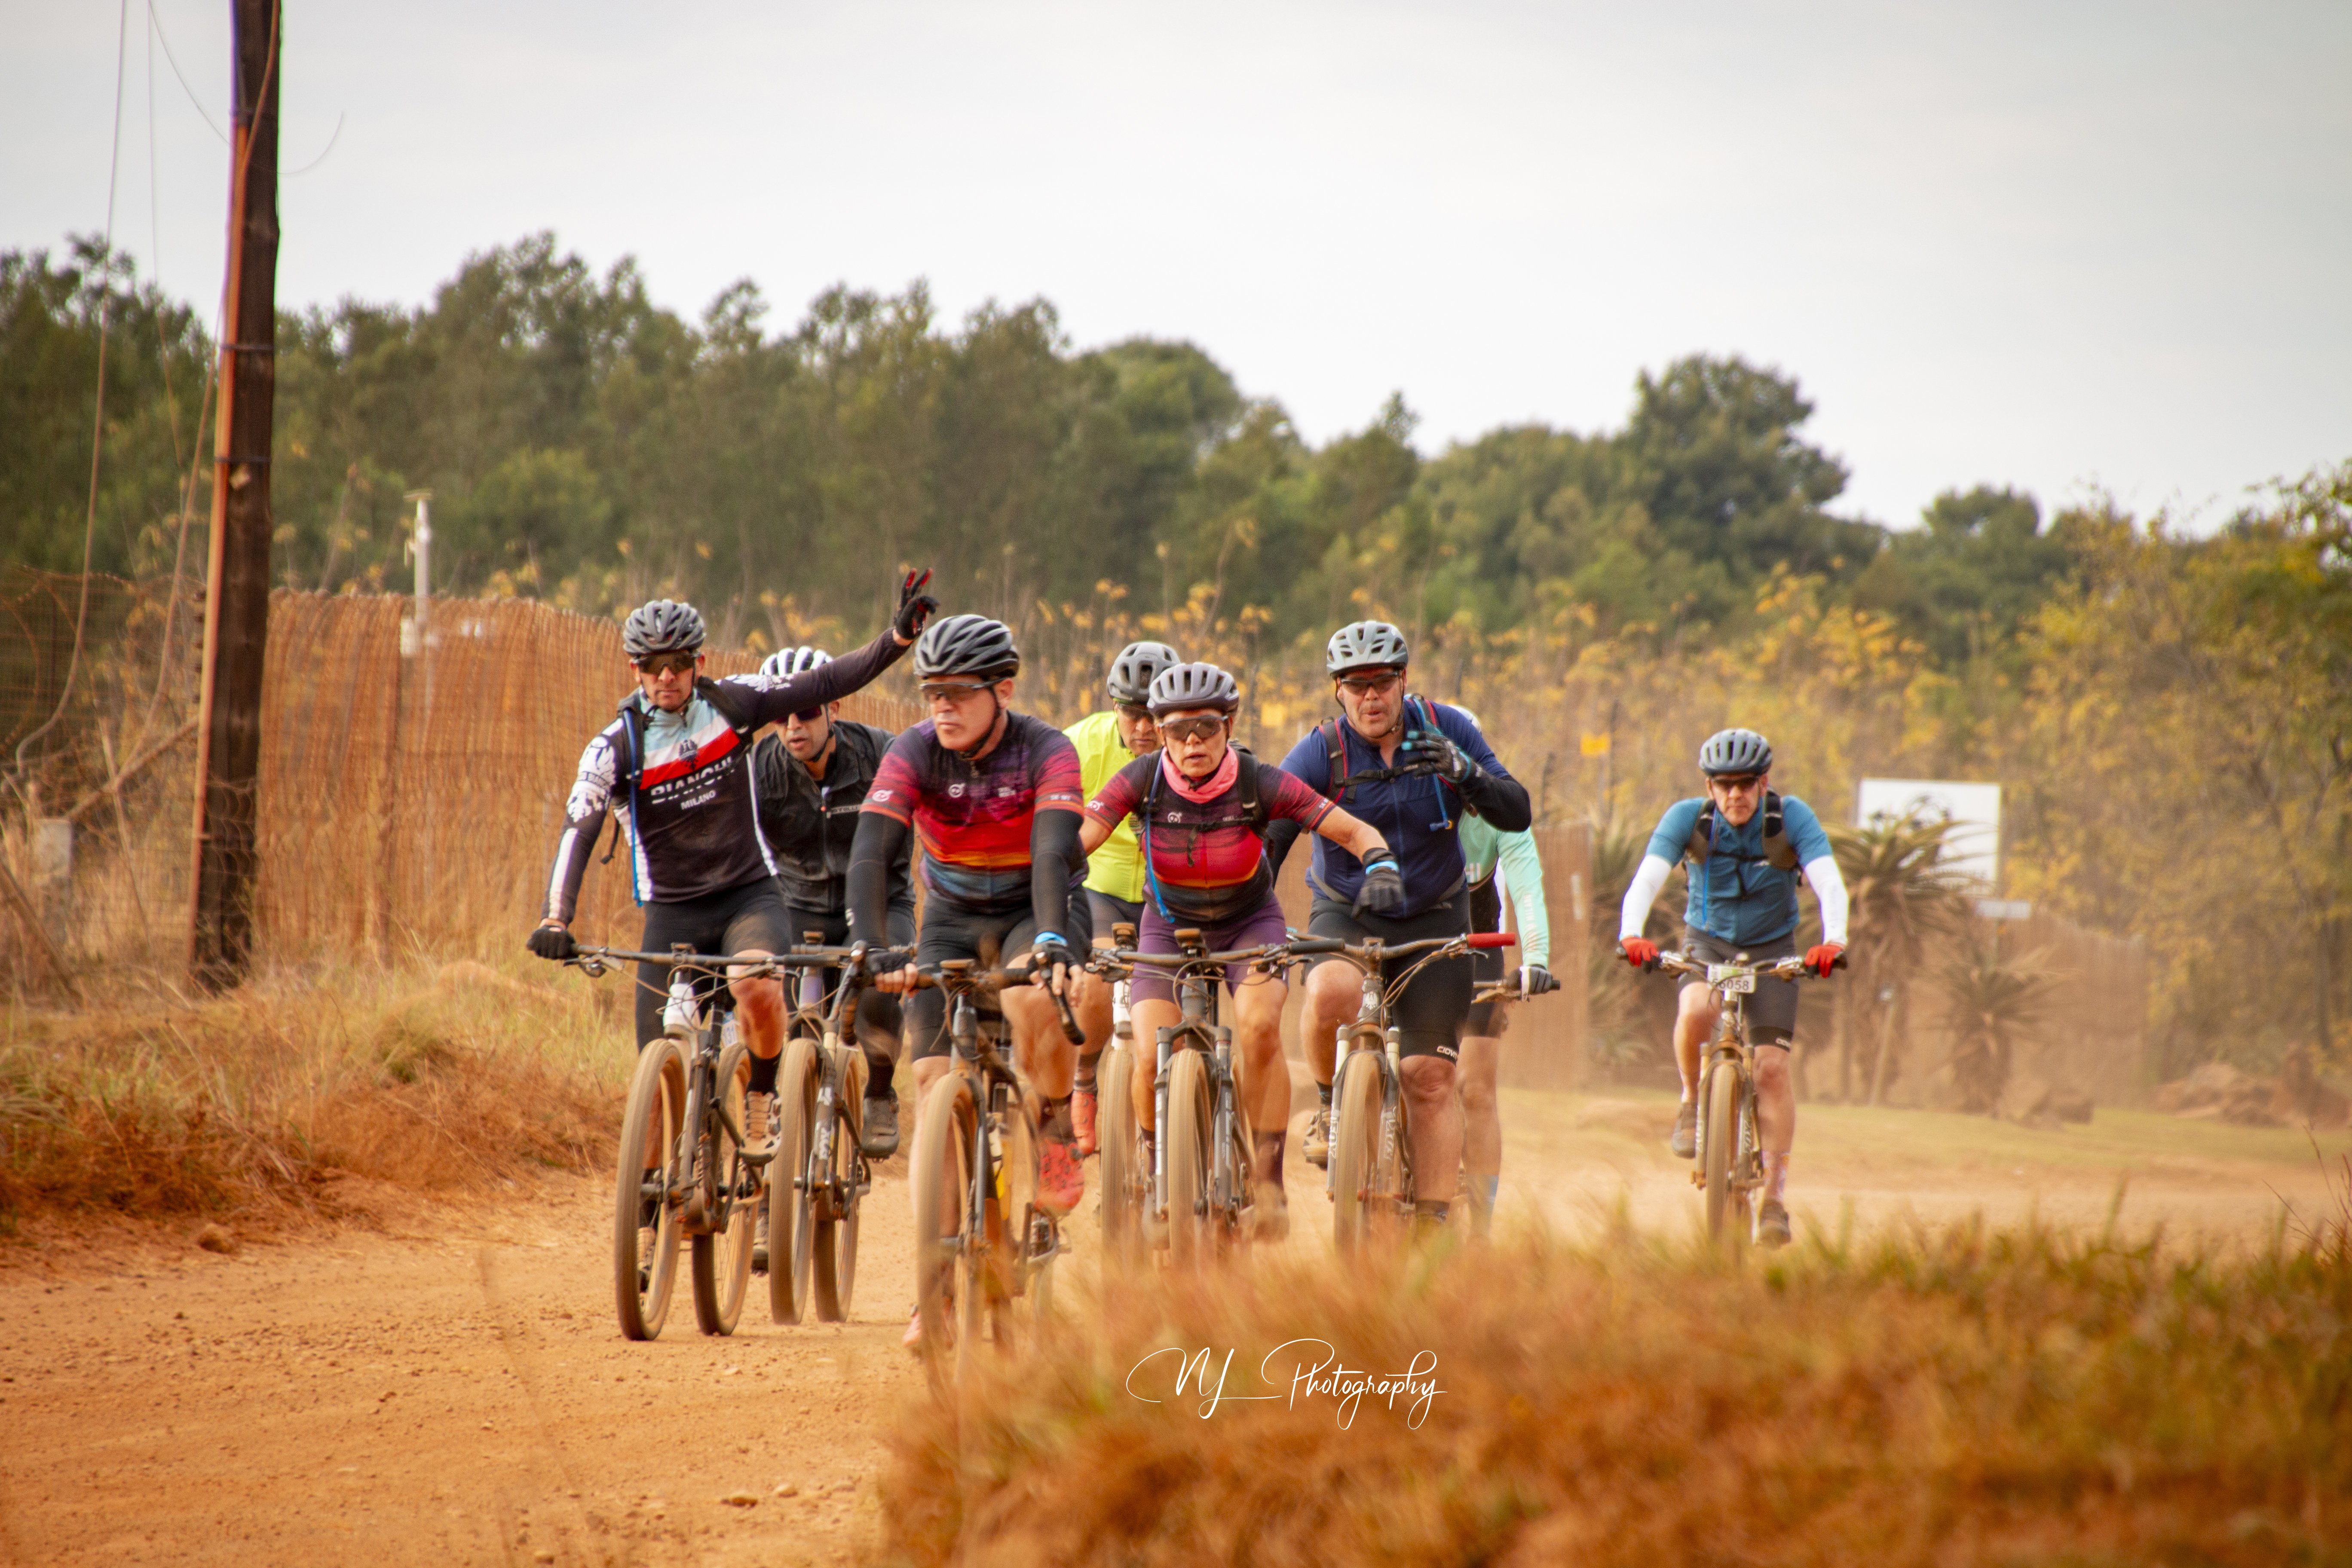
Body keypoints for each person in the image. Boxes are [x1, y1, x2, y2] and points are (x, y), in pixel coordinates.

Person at [527, 573, 936, 1256]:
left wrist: (897, 639)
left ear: (699, 664)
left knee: (755, 985)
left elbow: (824, 682)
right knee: (656, 1073)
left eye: (679, 665)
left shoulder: (735, 704)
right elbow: (580, 823)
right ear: (636, 670)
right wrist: (556, 917)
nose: (667, 678)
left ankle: (763, 1096)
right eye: (653, 668)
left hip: (750, 897)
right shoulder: (617, 745)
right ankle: (651, 1213)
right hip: (672, 915)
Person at [1078, 662, 1394, 1237]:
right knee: (1149, 1055)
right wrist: (1046, 882)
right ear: (1159, 731)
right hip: (1166, 926)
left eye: (1205, 727)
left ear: (1229, 724)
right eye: (1177, 731)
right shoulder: (1142, 779)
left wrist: (1380, 862)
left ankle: (1268, 1185)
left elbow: (1354, 831)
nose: (1192, 742)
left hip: (1250, 925)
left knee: (1257, 1029)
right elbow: (1079, 841)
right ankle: (1157, 1171)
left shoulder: (1260, 781)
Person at [844, 615, 1091, 1346]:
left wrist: (1049, 939)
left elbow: (1052, 853)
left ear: (1002, 689)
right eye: (930, 694)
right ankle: (933, 1286)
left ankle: (1051, 1124)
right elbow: (870, 852)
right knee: (930, 1084)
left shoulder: (1046, 749)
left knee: (1030, 998)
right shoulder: (913, 751)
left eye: (957, 693)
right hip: (950, 914)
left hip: (1034, 907)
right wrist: (871, 943)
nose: (941, 707)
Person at [1262, 620, 1532, 1237]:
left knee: (1429, 1078)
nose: (1370, 696)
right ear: (1338, 691)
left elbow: (1516, 811)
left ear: (1402, 681)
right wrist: (1259, 920)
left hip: (1437, 915)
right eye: (1356, 686)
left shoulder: (1449, 728)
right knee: (1329, 992)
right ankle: (1332, 1108)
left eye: (1382, 682)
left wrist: (1466, 773)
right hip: (1347, 908)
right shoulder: (1321, 751)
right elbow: (1272, 838)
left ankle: (1434, 1222)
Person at [1616, 727, 1849, 1247]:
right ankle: (1691, 1100)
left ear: (1764, 783)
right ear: (1709, 786)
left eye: (1746, 784)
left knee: (1770, 1068)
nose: (1735, 796)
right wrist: (1630, 934)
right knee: (1696, 1009)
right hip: (1708, 943)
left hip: (1772, 949)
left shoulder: (1791, 818)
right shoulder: (1688, 820)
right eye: (1723, 786)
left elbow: (1829, 882)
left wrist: (1834, 941)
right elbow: (1647, 879)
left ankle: (1775, 1200)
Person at [750, 644, 915, 1158]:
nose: (793, 726)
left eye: (805, 712)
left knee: (878, 990)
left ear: (833, 709)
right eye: (780, 716)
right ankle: (777, 1120)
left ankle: (882, 1092)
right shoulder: (760, 766)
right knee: (781, 1005)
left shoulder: (882, 753)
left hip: (880, 901)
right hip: (797, 902)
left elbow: (905, 839)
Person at [1062, 640, 1181, 1157]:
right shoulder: (1080, 746)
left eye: (1154, 717)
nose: (1143, 729)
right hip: (1101, 888)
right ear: (1115, 708)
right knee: (1092, 982)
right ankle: (1085, 1081)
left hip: (1170, 895)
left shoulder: (1190, 745)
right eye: (1132, 715)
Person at [1448, 710, 1559, 1238]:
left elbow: (1526, 887)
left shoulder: (1495, 809)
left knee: (1474, 1088)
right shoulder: (1397, 801)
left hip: (1476, 943)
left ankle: (1480, 1230)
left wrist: (1534, 960)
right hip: (1409, 937)